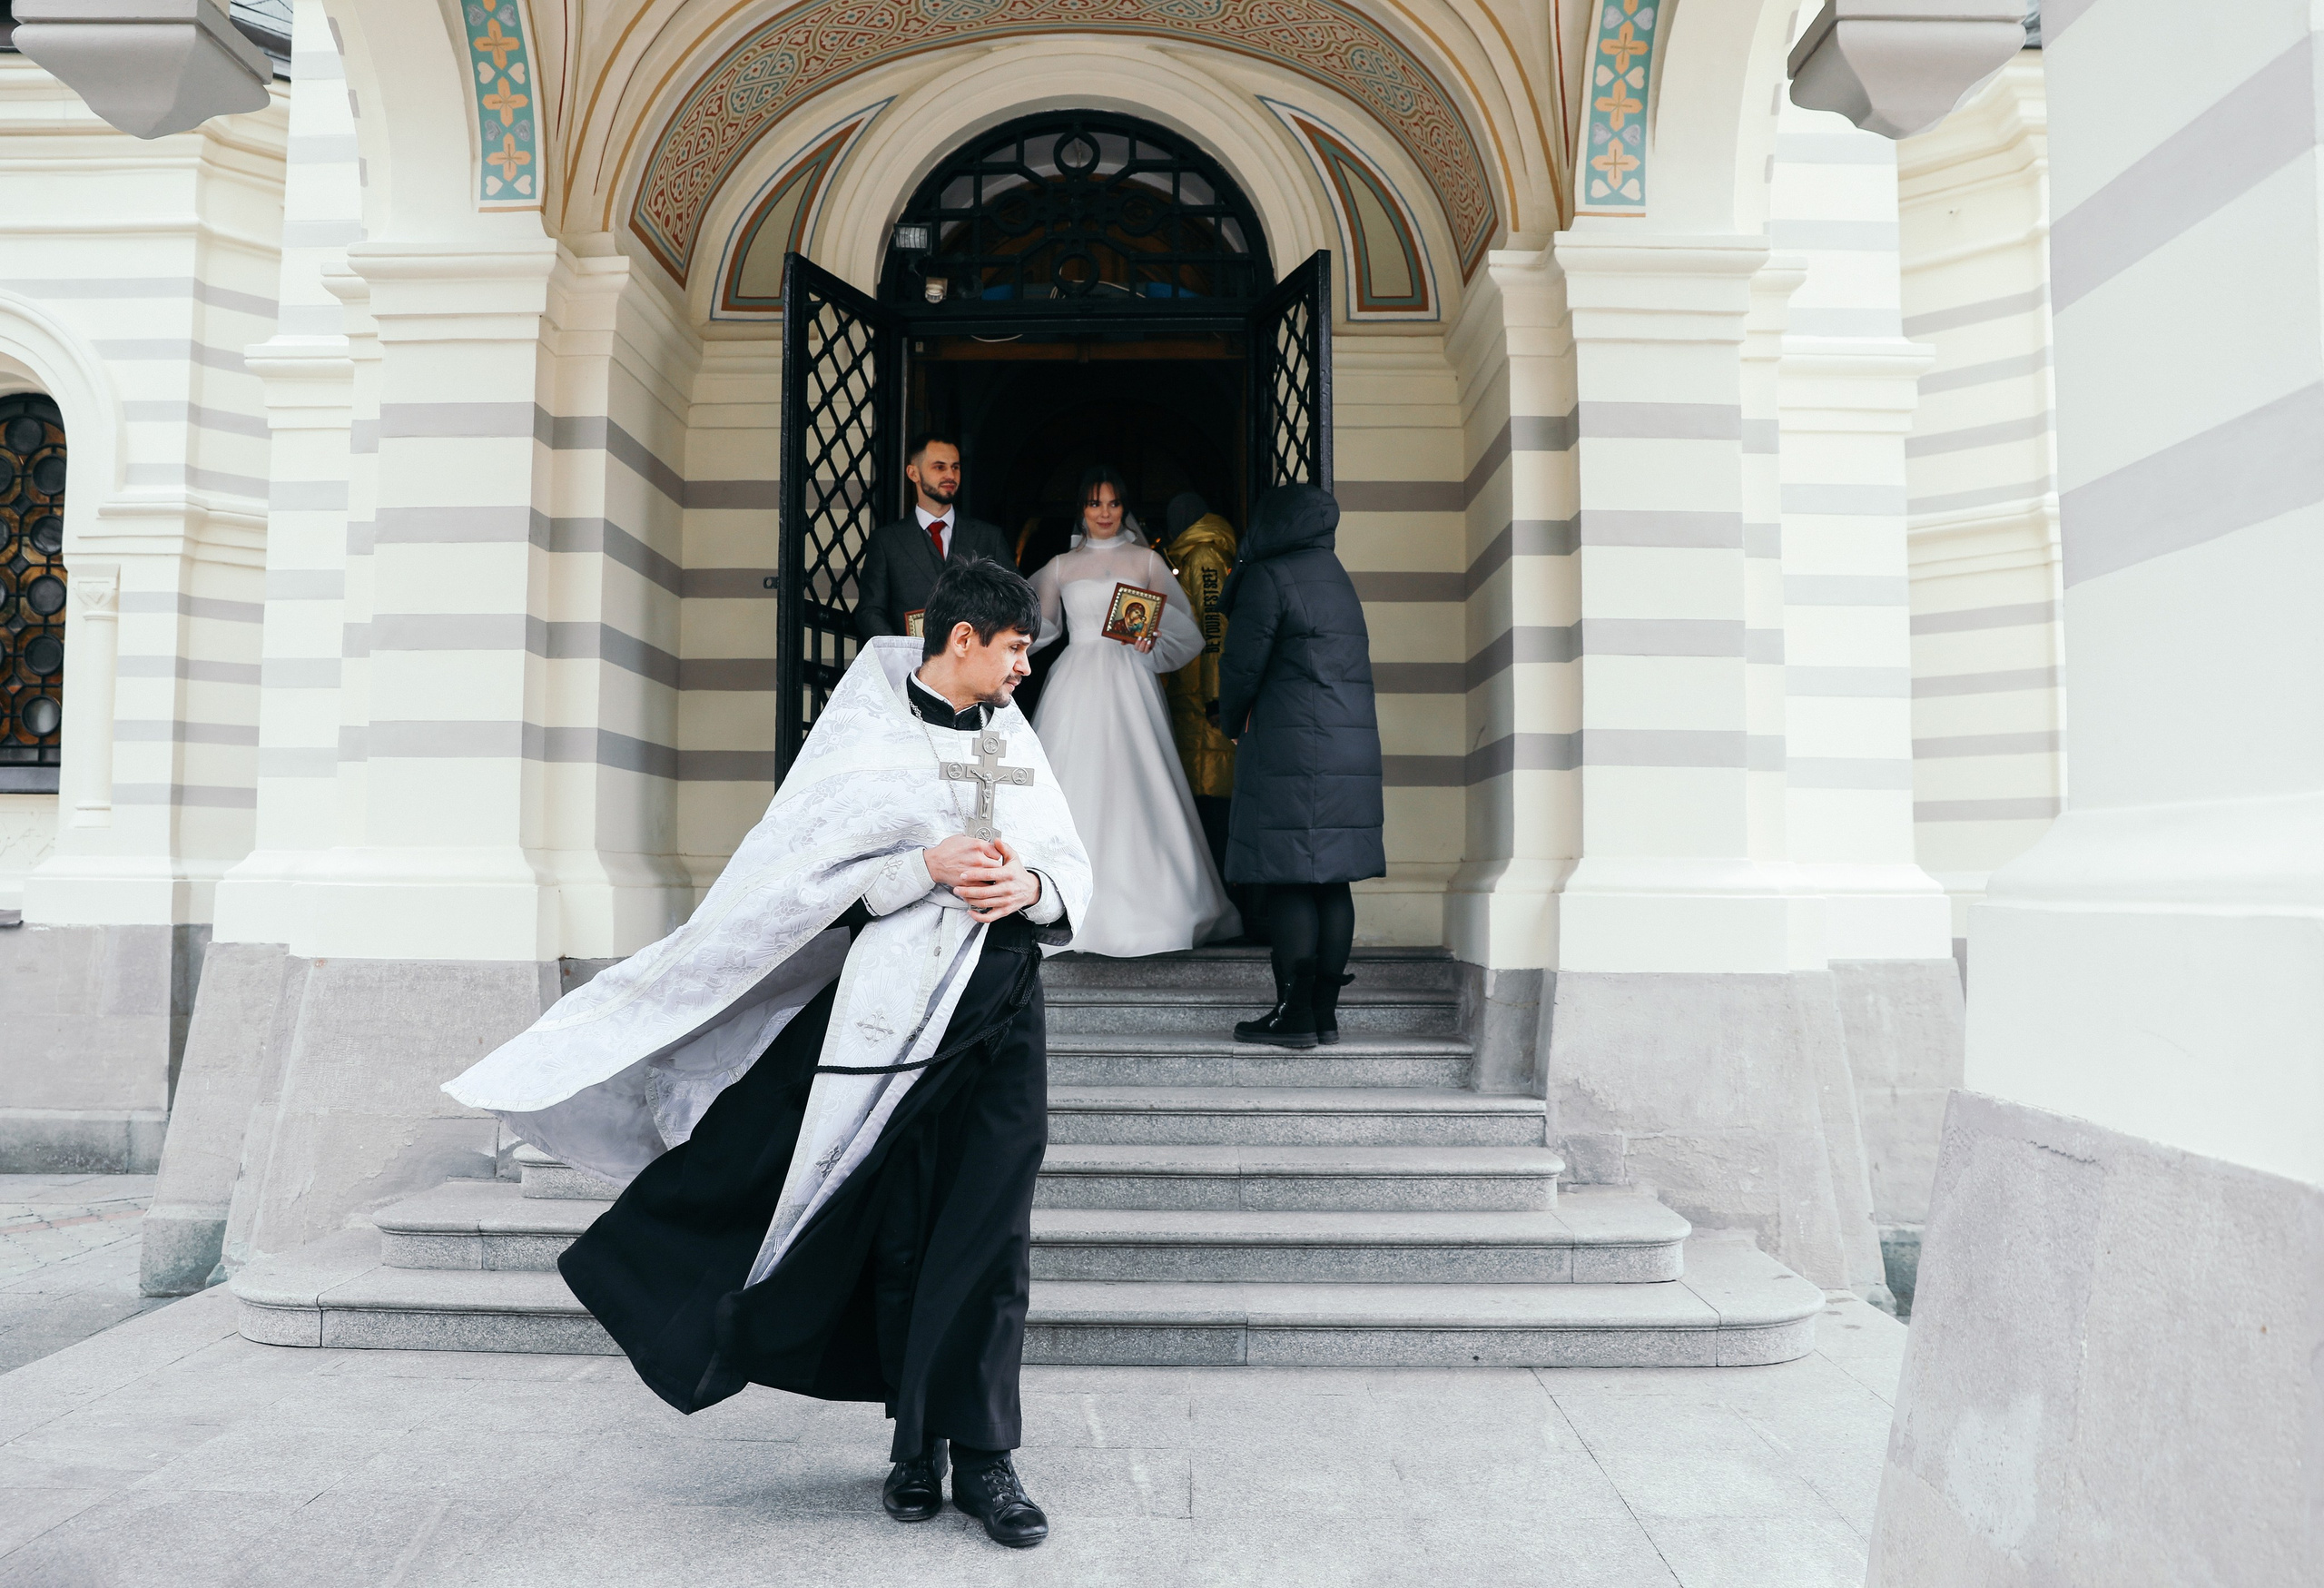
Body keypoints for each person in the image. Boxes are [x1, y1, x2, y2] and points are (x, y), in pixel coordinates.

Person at [443, 558, 1092, 1551]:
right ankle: (915, 1449)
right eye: (1013, 650)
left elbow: (1068, 860)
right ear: (962, 639)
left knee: (990, 1235)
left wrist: (1035, 891)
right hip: (890, 1018)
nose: (1021, 670)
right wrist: (918, 867)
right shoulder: (864, 740)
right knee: (901, 1227)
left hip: (1004, 1009)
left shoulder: (1014, 738)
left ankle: (989, 1459)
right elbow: (799, 879)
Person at [1029, 466, 1238, 956]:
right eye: (1094, 503)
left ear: (1125, 509)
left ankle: (1156, 905)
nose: (1104, 513)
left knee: (1138, 783)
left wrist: (1152, 642)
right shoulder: (1060, 566)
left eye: (1113, 503)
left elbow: (1186, 631)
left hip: (1131, 682)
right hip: (1075, 684)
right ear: (1081, 509)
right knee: (1073, 784)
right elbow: (1040, 630)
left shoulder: (1147, 561)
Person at [1214, 484, 1384, 1048]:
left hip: (1293, 746)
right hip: (1347, 748)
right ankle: (1323, 1015)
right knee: (1331, 882)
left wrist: (1230, 720)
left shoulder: (1271, 576)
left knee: (1288, 875)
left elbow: (1241, 667)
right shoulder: (1336, 577)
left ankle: (1293, 1017)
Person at [855, 434, 1016, 638]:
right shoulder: (886, 542)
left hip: (977, 663)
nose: (950, 475)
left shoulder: (989, 537)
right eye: (939, 467)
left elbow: (1015, 602)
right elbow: (870, 611)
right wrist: (899, 655)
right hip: (911, 664)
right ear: (913, 473)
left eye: (955, 467)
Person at [1160, 490, 1240, 896]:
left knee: (1210, 800)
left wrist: (1215, 698)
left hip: (1201, 704)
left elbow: (1214, 631)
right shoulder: (1195, 554)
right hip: (1195, 700)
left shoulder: (1202, 557)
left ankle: (1220, 895)